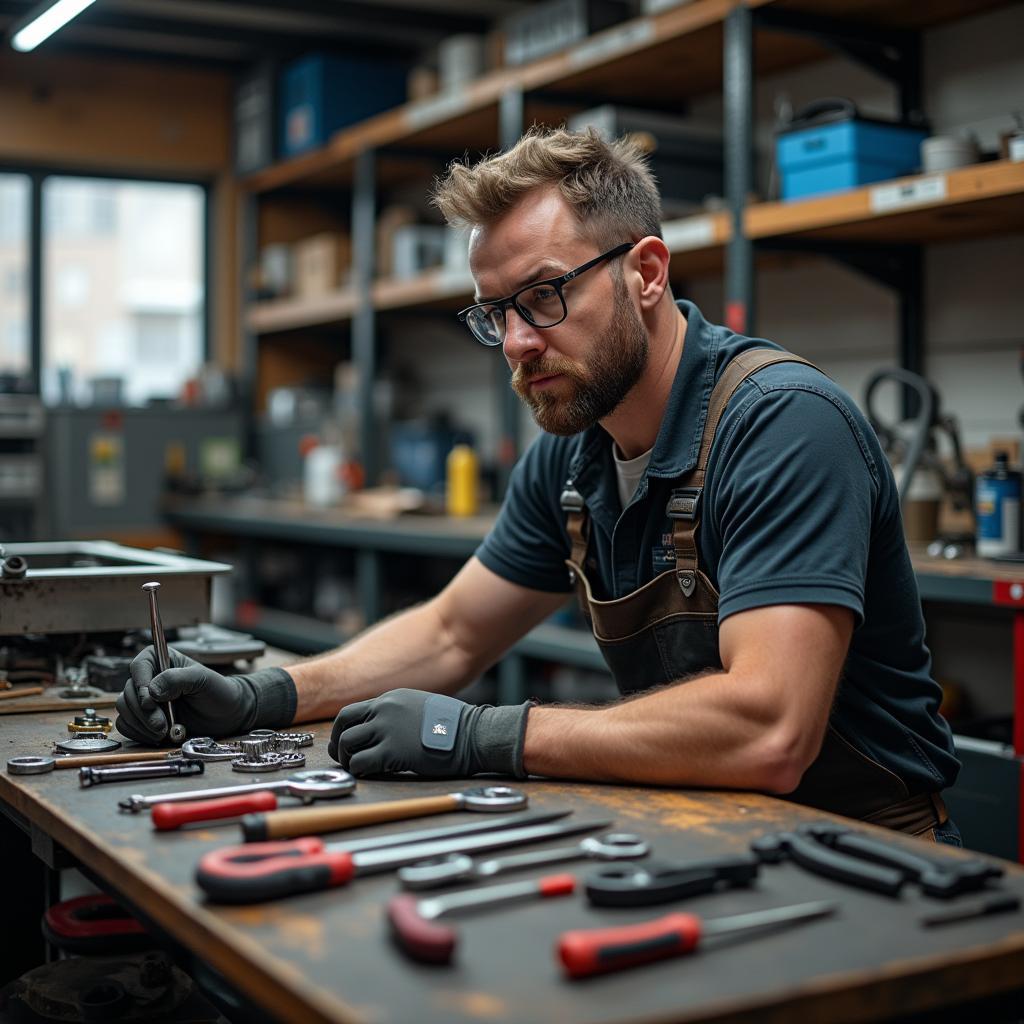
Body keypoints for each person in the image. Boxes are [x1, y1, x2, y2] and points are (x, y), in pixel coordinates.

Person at [115, 127, 960, 843]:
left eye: (545, 295)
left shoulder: (780, 425)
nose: (518, 341)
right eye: (496, 312)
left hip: (870, 848)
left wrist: (480, 734)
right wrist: (264, 696)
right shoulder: (573, 450)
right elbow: (451, 634)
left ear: (649, 273)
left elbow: (770, 727)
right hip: (707, 824)